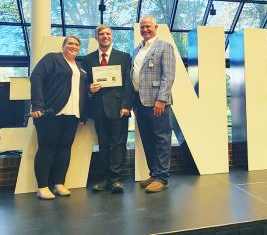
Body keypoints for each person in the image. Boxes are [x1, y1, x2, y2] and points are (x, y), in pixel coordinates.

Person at [30, 36, 87, 200]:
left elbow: (80, 90)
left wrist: (83, 114)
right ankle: (42, 187)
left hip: (72, 115)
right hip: (50, 113)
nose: (73, 46)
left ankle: (59, 184)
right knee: (47, 148)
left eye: (77, 44)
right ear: (63, 46)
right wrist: (37, 105)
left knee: (64, 149)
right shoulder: (52, 59)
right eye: (70, 43)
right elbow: (36, 78)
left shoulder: (79, 67)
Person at [81, 25, 132, 193]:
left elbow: (128, 83)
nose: (105, 36)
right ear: (96, 37)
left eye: (108, 34)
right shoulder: (88, 59)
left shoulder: (124, 57)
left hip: (119, 108)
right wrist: (90, 88)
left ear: (112, 36)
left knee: (118, 144)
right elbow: (83, 84)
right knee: (103, 144)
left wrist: (126, 105)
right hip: (98, 108)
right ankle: (103, 179)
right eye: (101, 34)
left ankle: (116, 180)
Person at [131, 15, 176, 193]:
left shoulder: (165, 47)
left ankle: (162, 178)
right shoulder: (136, 49)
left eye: (148, 26)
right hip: (139, 103)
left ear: (156, 27)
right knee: (148, 140)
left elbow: (169, 75)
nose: (145, 30)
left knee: (161, 139)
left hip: (157, 103)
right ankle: (154, 173)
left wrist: (162, 99)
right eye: (142, 27)